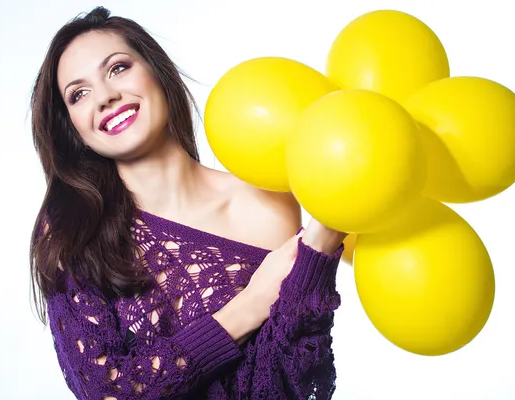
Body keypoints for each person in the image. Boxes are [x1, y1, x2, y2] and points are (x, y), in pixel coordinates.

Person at [29, 6, 349, 399]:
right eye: (79, 94)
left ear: (158, 73)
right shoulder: (72, 229)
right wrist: (245, 309)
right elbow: (107, 393)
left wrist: (321, 242)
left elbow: (280, 387)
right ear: (74, 129)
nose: (106, 96)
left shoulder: (266, 204)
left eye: (118, 68)